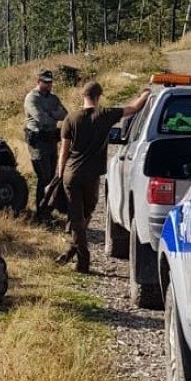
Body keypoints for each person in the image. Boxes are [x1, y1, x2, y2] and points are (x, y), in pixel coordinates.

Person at [55, 81, 151, 274]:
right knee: (86, 212)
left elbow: (63, 152)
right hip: (92, 175)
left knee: (77, 217)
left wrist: (59, 174)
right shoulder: (105, 115)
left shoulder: (70, 119)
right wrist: (146, 94)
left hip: (71, 174)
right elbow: (133, 108)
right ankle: (83, 261)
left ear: (83, 95)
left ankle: (74, 249)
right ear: (99, 97)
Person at [24, 69, 67, 221]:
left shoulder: (53, 98)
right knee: (43, 176)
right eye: (45, 82)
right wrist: (53, 114)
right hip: (38, 140)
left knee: (51, 176)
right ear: (38, 82)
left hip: (50, 139)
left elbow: (64, 114)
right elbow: (41, 118)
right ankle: (40, 212)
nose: (48, 85)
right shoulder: (31, 98)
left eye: (50, 82)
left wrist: (52, 114)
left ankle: (46, 211)